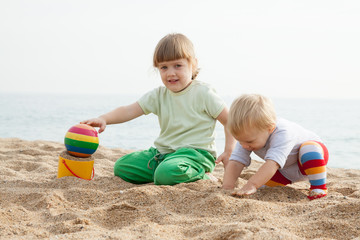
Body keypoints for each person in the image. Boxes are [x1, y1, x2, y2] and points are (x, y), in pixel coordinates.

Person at [81, 33, 235, 185]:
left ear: (193, 64)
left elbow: (230, 121)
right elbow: (129, 110)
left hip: (196, 155)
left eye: (178, 65)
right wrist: (104, 119)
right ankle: (165, 171)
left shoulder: (203, 93)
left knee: (166, 173)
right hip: (163, 154)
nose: (170, 73)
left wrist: (229, 151)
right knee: (122, 167)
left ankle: (202, 175)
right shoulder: (159, 95)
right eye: (164, 67)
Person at [222, 94, 329, 200]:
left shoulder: (283, 132)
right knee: (263, 188)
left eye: (249, 141)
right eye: (239, 141)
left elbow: (272, 163)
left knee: (308, 149)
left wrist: (252, 184)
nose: (244, 145)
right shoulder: (245, 137)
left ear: (270, 128)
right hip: (285, 171)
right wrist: (227, 187)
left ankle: (318, 187)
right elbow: (236, 162)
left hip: (312, 160)